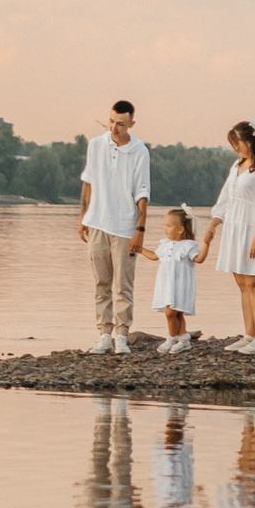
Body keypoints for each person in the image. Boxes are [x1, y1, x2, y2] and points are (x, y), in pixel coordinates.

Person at [77, 99, 151, 354]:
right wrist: (82, 217)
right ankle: (104, 334)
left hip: (124, 226)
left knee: (123, 285)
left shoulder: (140, 151)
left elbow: (142, 193)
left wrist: (139, 230)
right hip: (97, 222)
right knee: (101, 283)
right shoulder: (96, 145)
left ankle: (122, 335)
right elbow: (87, 181)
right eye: (111, 121)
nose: (114, 128)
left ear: (131, 123)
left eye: (120, 123)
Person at [200, 119, 255, 353]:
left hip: (254, 228)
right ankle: (249, 334)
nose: (236, 147)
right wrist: (214, 223)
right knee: (242, 283)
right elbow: (227, 198)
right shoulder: (238, 166)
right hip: (235, 227)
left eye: (239, 142)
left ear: (251, 141)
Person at [136, 205, 203, 353]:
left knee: (171, 312)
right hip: (167, 283)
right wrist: (140, 249)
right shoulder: (164, 244)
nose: (165, 229)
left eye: (169, 226)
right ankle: (183, 339)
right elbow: (154, 256)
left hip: (181, 283)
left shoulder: (189, 245)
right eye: (165, 225)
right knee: (176, 312)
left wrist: (208, 245)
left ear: (180, 229)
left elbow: (199, 259)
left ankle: (171, 338)